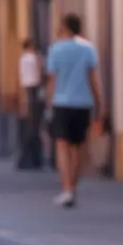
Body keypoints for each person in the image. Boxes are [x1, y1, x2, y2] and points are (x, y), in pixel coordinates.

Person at [46, 13, 102, 208]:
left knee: (62, 146)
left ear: (65, 28)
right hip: (83, 103)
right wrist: (99, 103)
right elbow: (93, 79)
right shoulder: (88, 48)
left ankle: (67, 188)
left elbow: (52, 80)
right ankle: (72, 188)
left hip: (61, 103)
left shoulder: (56, 49)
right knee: (79, 147)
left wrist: (48, 103)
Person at [17, 37, 45, 170]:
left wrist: (23, 102)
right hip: (35, 91)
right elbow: (40, 74)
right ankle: (34, 159)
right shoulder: (35, 59)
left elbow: (22, 80)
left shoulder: (22, 59)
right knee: (35, 127)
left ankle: (28, 159)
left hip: (28, 92)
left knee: (30, 127)